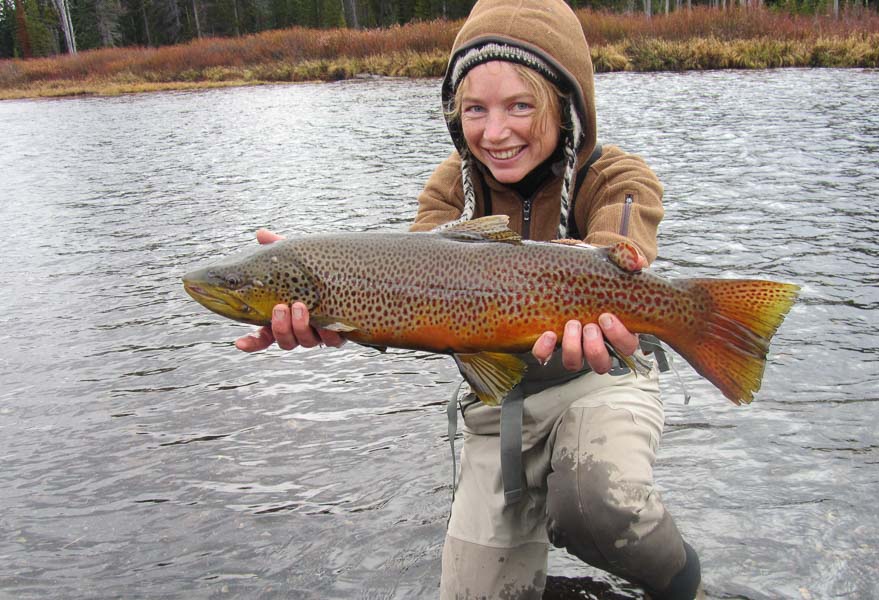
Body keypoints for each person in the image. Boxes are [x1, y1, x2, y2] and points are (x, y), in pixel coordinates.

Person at [235, 1, 702, 598]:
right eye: (476, 109)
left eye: (520, 106)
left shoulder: (612, 174)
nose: (495, 132)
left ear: (567, 105)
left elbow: (620, 238)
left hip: (601, 379)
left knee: (595, 506)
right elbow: (408, 287)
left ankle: (682, 581)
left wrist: (605, 265)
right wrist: (321, 296)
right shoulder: (449, 188)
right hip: (497, 403)